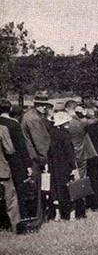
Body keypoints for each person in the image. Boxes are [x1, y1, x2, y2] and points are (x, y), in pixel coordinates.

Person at [21, 94, 53, 225]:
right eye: (43, 105)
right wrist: (45, 160)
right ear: (39, 105)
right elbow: (40, 142)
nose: (45, 108)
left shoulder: (29, 116)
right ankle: (37, 219)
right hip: (35, 158)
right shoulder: (34, 119)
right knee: (37, 191)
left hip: (31, 157)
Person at [0, 101, 32, 221]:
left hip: (2, 162)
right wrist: (28, 164)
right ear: (10, 110)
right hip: (14, 162)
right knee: (14, 194)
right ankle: (18, 220)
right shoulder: (14, 124)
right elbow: (20, 147)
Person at [65, 100, 96, 218]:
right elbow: (94, 121)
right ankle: (80, 210)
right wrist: (86, 113)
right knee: (81, 182)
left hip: (68, 156)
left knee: (69, 182)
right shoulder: (79, 122)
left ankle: (68, 210)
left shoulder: (65, 122)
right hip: (81, 155)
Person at [47, 112, 78, 221]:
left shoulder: (51, 134)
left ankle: (57, 214)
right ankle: (71, 214)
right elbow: (69, 153)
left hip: (54, 165)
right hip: (65, 165)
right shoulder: (65, 135)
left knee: (55, 189)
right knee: (69, 188)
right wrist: (73, 167)